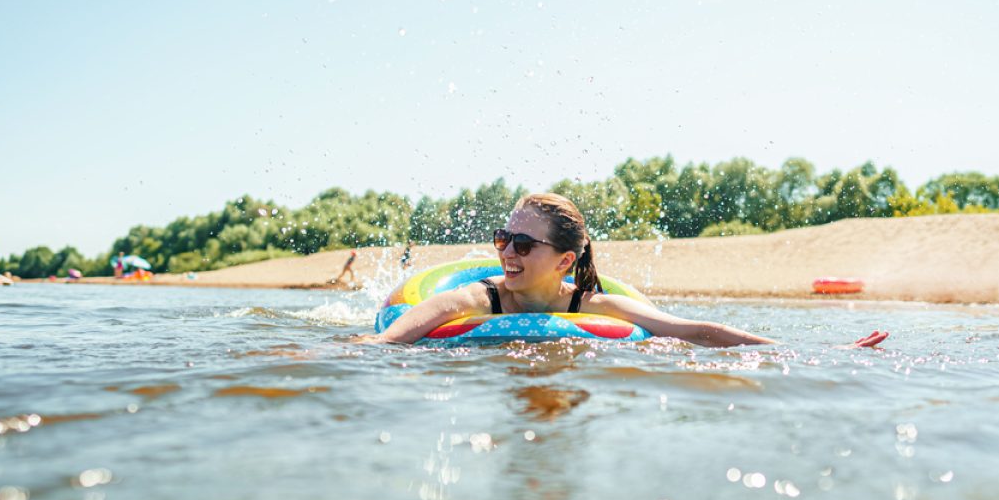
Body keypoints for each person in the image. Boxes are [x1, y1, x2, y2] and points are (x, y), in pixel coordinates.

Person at [360, 193, 888, 348]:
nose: (507, 253)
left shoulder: (594, 306)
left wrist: (817, 353)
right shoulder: (475, 300)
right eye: (503, 239)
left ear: (566, 260)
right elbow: (387, 342)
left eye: (523, 242)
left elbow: (692, 331)